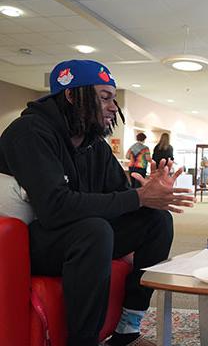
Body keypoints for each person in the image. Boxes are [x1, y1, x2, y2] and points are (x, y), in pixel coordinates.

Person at [0, 59, 195, 346]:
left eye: (113, 99)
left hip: (82, 236)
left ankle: (128, 326)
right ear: (71, 95)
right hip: (31, 240)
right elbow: (55, 208)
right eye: (104, 98)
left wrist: (147, 193)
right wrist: (136, 197)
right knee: (94, 230)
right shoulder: (29, 133)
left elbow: (121, 197)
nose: (114, 107)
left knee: (157, 219)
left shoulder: (95, 146)